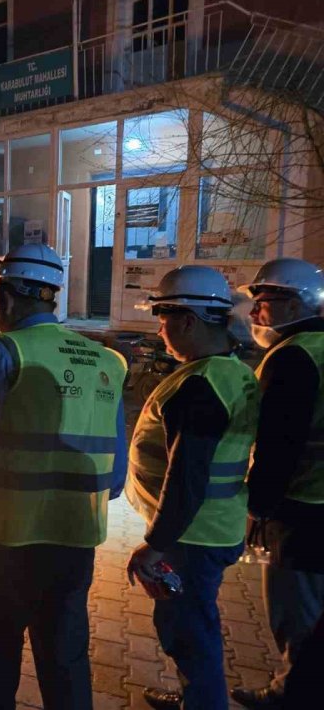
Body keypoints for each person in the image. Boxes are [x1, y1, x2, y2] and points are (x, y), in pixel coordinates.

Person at [0, 243, 128, 710]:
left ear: (7, 299)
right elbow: (115, 479)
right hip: (76, 543)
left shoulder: (4, 352)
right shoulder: (107, 362)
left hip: (5, 542)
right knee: (66, 664)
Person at [124, 266, 259, 710]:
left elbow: (187, 477)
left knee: (188, 631)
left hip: (191, 536)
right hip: (212, 528)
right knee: (193, 622)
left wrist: (156, 546)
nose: (160, 330)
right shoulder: (230, 371)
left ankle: (203, 701)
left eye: (163, 319)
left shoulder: (199, 386)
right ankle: (195, 695)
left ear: (187, 321)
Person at [230, 258, 324, 709]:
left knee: (297, 614)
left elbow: (278, 444)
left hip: (302, 510)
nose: (253, 314)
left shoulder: (293, 356)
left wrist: (257, 508)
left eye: (263, 302)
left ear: (294, 304)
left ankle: (293, 694)